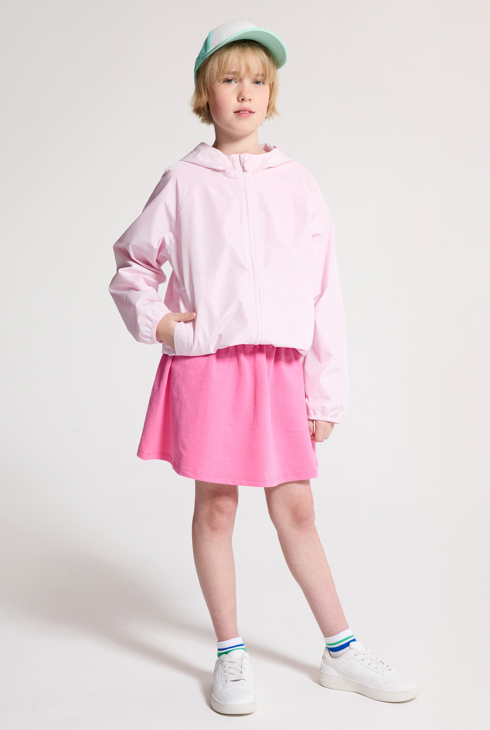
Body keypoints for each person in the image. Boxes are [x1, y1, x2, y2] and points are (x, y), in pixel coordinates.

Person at [108, 19, 420, 715]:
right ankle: (230, 651)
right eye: (229, 79)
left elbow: (324, 290)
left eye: (257, 80)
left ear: (271, 94)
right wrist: (161, 323)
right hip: (209, 365)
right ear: (206, 93)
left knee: (296, 507)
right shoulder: (183, 180)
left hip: (279, 369)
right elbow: (133, 262)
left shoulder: (297, 182)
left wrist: (324, 393)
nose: (244, 91)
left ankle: (341, 650)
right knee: (217, 505)